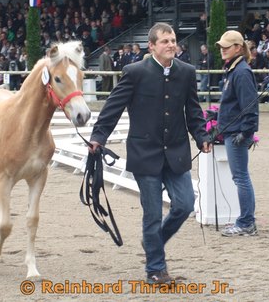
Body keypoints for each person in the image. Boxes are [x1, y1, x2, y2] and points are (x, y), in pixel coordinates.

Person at [89, 22, 211, 285]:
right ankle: (156, 269)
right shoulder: (134, 72)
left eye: (173, 40)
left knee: (185, 204)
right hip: (145, 154)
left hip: (176, 152)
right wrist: (99, 136)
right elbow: (114, 106)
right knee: (152, 213)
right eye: (165, 41)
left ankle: (152, 242)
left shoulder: (187, 72)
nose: (171, 45)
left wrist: (201, 137)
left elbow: (193, 111)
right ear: (152, 45)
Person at [215, 31, 259, 237]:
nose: (223, 49)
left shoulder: (241, 72)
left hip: (237, 134)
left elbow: (250, 106)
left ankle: (246, 222)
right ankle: (245, 220)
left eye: (227, 46)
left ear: (238, 48)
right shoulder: (234, 70)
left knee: (240, 178)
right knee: (240, 177)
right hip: (232, 132)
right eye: (222, 46)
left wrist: (246, 132)